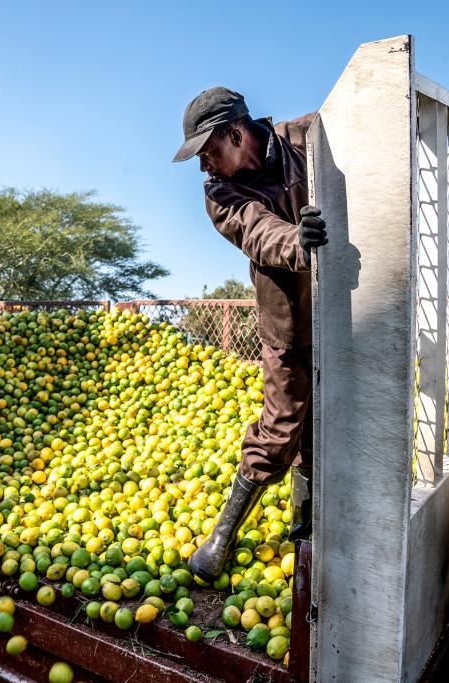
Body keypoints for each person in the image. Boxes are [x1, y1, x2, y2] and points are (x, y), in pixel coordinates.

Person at [172, 87, 325, 581]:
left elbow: (378, 119)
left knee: (323, 429)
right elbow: (258, 232)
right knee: (281, 427)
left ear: (236, 134)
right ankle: (223, 535)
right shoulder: (219, 193)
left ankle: (306, 532)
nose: (203, 165)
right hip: (288, 321)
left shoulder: (310, 135)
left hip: (343, 314)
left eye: (207, 151)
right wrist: (299, 242)